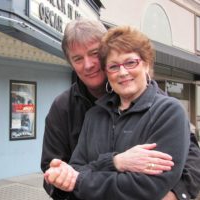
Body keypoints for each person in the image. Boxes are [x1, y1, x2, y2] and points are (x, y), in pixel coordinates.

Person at [41, 19, 200, 200]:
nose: (88, 64)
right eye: (78, 58)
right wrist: (114, 162)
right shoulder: (69, 109)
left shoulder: (164, 108)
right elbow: (61, 172)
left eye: (94, 53)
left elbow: (189, 156)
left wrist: (176, 193)